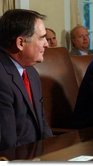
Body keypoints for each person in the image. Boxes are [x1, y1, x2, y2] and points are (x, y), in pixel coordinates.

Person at [0, 9, 53, 151]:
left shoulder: (31, 72)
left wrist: (54, 152)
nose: (47, 44)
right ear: (21, 43)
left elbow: (41, 124)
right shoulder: (2, 78)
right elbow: (7, 142)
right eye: (42, 38)